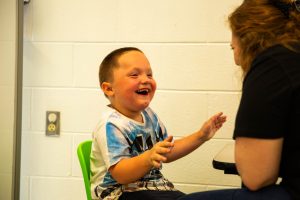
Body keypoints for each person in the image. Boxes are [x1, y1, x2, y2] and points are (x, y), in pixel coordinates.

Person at [178, 0, 300, 200]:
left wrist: (201, 136)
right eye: (134, 75)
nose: (236, 59)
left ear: (248, 38)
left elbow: (256, 177)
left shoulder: (275, 62)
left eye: (232, 48)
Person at [89, 47, 226, 200]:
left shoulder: (149, 115)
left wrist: (201, 136)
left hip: (154, 189)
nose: (145, 79)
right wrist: (148, 157)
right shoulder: (111, 125)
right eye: (134, 75)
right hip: (118, 193)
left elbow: (166, 152)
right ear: (109, 88)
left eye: (149, 74)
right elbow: (121, 174)